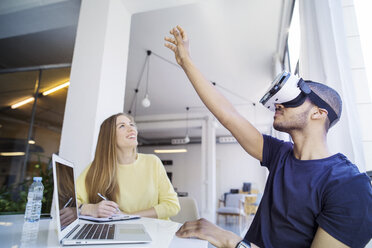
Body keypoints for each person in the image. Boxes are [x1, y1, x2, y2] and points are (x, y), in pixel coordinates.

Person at [164, 25, 372, 248]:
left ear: (319, 113)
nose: (278, 104)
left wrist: (230, 240)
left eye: (295, 97)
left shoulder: (350, 187)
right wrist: (186, 62)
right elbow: (229, 116)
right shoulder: (281, 154)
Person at [76, 113, 180, 220]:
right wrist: (90, 209)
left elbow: (172, 205)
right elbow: (68, 202)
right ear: (109, 136)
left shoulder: (153, 162)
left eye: (131, 124)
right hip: (116, 233)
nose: (131, 129)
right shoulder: (97, 169)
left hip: (155, 232)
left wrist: (127, 216)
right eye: (122, 126)